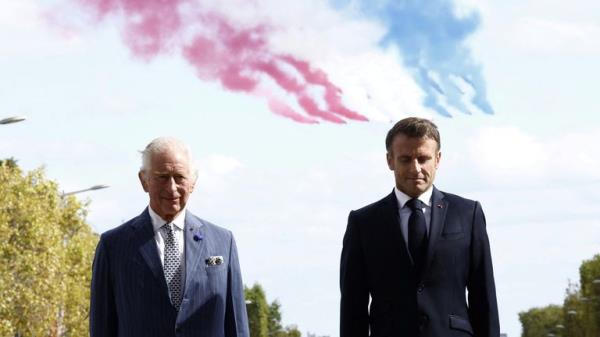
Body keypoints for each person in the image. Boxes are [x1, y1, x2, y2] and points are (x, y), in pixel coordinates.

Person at [340, 117, 499, 337]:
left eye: (423, 158)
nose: (416, 168)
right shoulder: (363, 223)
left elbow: (484, 296)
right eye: (405, 159)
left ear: (438, 159)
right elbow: (352, 307)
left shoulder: (468, 214)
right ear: (390, 161)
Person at [90, 137, 249, 337]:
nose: (171, 187)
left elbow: (236, 326)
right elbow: (102, 327)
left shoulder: (223, 243)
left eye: (179, 177)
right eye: (162, 177)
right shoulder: (113, 247)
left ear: (193, 182)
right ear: (144, 180)